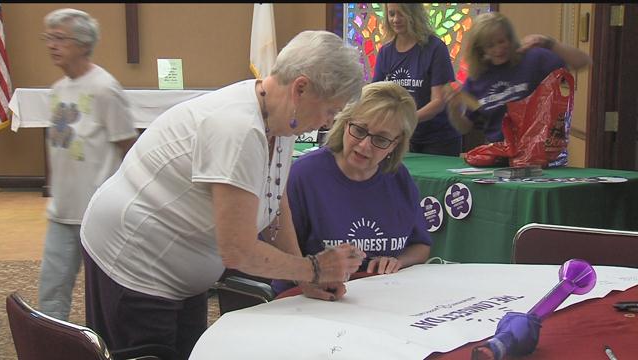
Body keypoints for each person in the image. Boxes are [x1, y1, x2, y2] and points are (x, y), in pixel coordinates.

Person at [79, 30, 366, 359]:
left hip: (181, 268)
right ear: (300, 88)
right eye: (330, 111)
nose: (328, 122)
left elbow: (276, 197)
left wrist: (306, 275)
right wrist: (313, 269)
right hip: (133, 261)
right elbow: (238, 252)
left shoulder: (280, 117)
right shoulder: (239, 129)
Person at [272, 81, 432, 295]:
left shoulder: (399, 178)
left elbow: (421, 246)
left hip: (383, 298)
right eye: (359, 130)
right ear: (344, 122)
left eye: (381, 139)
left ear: (396, 143)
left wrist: (397, 261)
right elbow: (278, 256)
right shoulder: (305, 176)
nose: (365, 145)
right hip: (312, 299)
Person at [37, 8, 138, 321]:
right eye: (48, 38)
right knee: (51, 291)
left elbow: (129, 148)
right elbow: (59, 149)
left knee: (106, 295)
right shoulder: (57, 90)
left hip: (97, 213)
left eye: (59, 38)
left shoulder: (105, 88)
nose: (51, 45)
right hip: (62, 211)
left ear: (82, 44)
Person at [446, 11, 592, 144]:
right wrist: (453, 110)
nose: (498, 49)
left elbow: (583, 61)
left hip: (537, 151)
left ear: (510, 38)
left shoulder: (533, 59)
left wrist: (549, 43)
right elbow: (465, 127)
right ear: (480, 49)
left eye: (501, 41)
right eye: (490, 46)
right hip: (498, 153)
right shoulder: (476, 79)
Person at [372, 3, 461, 156]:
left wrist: (403, 122)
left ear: (414, 14)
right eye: (391, 14)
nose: (395, 19)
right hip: (401, 137)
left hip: (438, 138)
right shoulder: (385, 52)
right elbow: (376, 96)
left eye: (402, 14)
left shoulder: (435, 48)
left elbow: (438, 102)